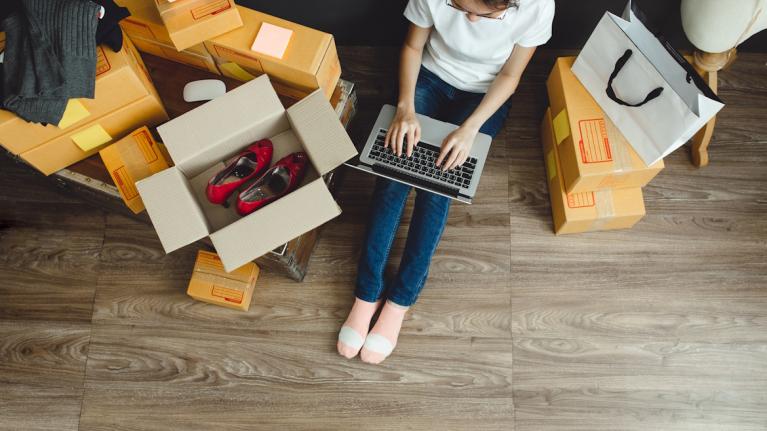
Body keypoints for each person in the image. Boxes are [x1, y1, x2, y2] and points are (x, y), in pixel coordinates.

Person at [338, 0, 555, 364]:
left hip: (486, 96)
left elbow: (510, 77)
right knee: (394, 175)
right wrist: (405, 108)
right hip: (429, 78)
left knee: (437, 187)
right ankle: (366, 292)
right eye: (459, 7)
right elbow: (412, 46)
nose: (469, 18)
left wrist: (469, 129)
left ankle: (400, 301)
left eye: (482, 15)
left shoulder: (538, 7)